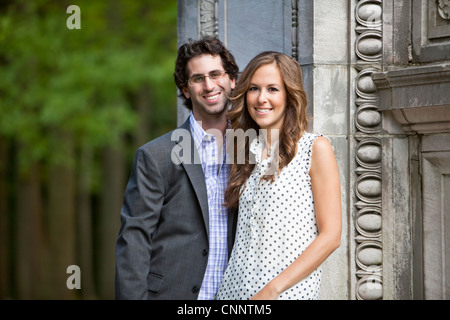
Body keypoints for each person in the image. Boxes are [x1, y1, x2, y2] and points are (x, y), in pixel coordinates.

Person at [115, 36, 239, 300]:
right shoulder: (155, 156)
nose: (209, 85)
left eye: (216, 74)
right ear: (185, 89)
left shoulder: (252, 151)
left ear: (232, 80)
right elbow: (134, 239)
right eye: (197, 79)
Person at [216, 51, 342, 300]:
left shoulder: (314, 148)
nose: (261, 98)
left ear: (289, 95)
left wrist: (272, 290)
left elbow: (331, 237)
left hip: (286, 295)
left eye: (272, 89)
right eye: (254, 88)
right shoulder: (244, 153)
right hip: (233, 294)